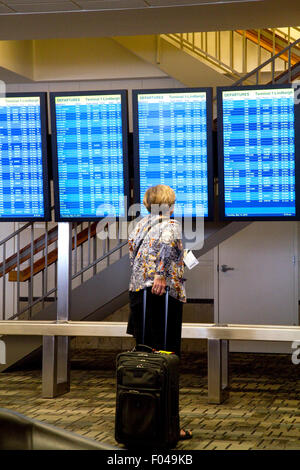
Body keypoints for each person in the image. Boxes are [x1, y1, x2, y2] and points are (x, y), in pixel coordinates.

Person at [127, 184, 192, 440]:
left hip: (138, 296)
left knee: (144, 361)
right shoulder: (171, 225)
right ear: (169, 204)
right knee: (166, 362)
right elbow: (166, 250)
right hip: (162, 298)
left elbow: (133, 256)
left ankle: (141, 421)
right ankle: (167, 426)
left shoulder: (139, 225)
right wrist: (161, 277)